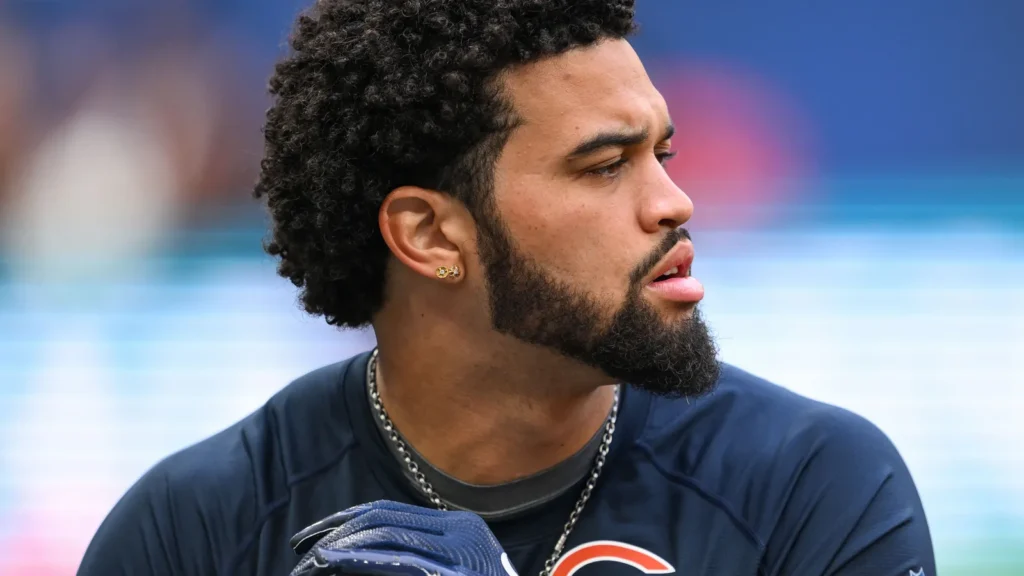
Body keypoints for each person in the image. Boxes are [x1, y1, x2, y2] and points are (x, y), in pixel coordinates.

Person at [77, 1, 936, 575]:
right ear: (430, 235)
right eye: (605, 166)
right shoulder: (190, 532)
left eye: (660, 155)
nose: (674, 203)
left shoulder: (811, 484)